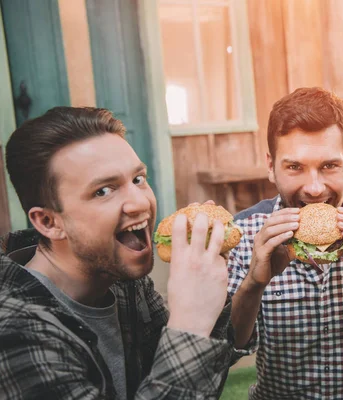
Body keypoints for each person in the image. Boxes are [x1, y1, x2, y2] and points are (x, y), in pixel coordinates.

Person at [0, 107, 233, 399]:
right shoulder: (14, 332)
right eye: (103, 191)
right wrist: (190, 325)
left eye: (138, 179)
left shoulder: (123, 278)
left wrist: (246, 288)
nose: (140, 203)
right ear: (49, 222)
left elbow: (192, 379)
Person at [227, 87, 343, 399]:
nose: (315, 189)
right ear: (270, 167)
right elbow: (229, 350)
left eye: (329, 166)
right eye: (294, 167)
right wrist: (253, 283)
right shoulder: (246, 230)